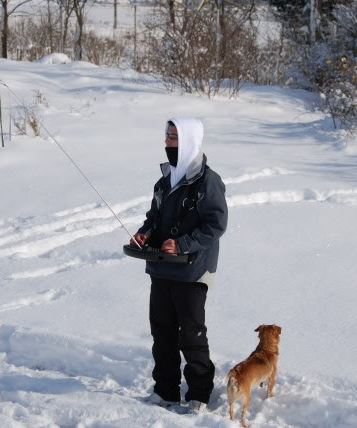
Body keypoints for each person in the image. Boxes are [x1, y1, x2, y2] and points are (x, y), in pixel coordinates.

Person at [130, 117, 228, 414]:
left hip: (192, 269)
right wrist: (145, 233)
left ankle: (199, 394)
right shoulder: (163, 180)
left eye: (174, 137)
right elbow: (154, 217)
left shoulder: (208, 181)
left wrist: (183, 243)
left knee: (191, 333)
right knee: (162, 332)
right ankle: (165, 391)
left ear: (189, 140)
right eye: (167, 136)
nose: (168, 142)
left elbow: (216, 224)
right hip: (161, 268)